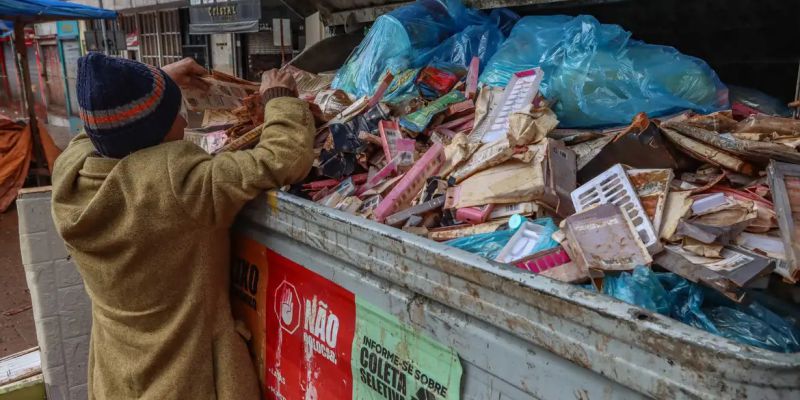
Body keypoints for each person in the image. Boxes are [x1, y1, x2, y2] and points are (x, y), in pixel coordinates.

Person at [51, 53, 314, 399]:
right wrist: (279, 100)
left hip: (117, 374)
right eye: (175, 113)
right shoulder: (181, 186)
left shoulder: (69, 175)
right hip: (190, 378)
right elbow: (284, 157)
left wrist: (157, 81)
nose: (184, 119)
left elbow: (100, 129)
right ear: (157, 133)